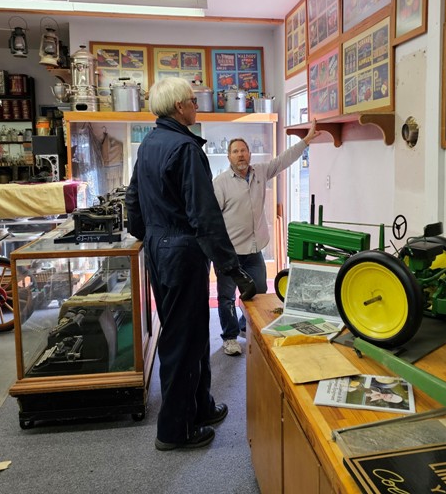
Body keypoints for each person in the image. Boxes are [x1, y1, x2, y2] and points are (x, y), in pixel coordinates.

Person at [125, 77, 256, 451]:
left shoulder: (149, 142)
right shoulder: (185, 148)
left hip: (159, 248)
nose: (196, 105)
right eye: (193, 101)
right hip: (182, 250)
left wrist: (148, 234)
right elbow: (205, 216)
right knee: (183, 340)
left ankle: (200, 407)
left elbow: (133, 199)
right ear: (180, 107)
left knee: (192, 332)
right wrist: (233, 269)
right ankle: (174, 430)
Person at [212, 119, 320, 356]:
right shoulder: (220, 183)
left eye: (243, 150)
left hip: (254, 249)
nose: (240, 155)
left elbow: (282, 161)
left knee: (259, 294)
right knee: (227, 297)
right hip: (229, 254)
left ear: (249, 154)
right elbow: (212, 220)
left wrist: (305, 142)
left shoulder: (260, 171)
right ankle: (229, 337)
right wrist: (217, 252)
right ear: (228, 157)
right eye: (235, 152)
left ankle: (243, 326)